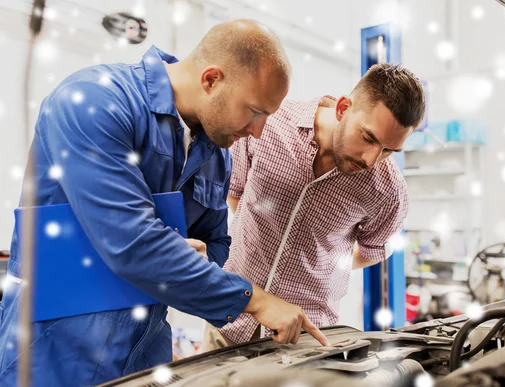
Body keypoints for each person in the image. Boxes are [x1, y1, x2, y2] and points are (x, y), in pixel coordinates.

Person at [0, 19, 328, 387]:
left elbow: (217, 242)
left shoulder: (217, 154)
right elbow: (132, 243)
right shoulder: (94, 102)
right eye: (255, 112)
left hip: (143, 354)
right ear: (211, 79)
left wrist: (191, 261)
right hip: (56, 353)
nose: (258, 132)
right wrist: (256, 300)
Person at [202, 63, 426, 350]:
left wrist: (323, 262)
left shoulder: (389, 191)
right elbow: (235, 193)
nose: (371, 159)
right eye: (368, 138)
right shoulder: (271, 124)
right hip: (230, 315)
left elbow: (372, 251)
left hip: (306, 339)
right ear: (343, 108)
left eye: (388, 150)